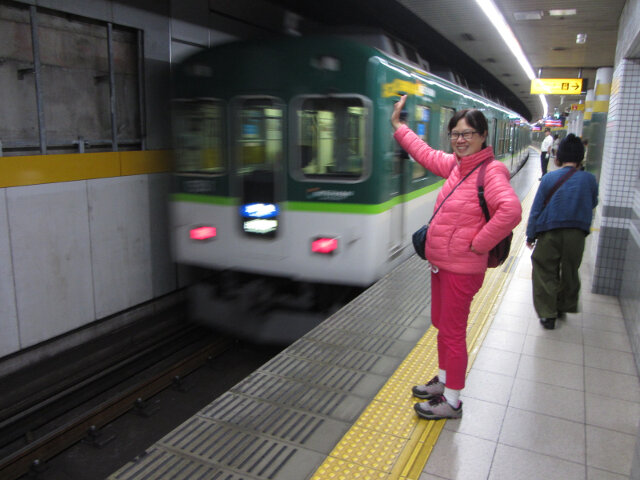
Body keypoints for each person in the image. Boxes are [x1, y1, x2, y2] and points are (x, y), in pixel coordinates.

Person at [391, 95, 522, 420]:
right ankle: (444, 381)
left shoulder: (490, 172)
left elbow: (511, 210)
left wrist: (478, 243)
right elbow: (424, 153)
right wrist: (400, 127)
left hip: (462, 270)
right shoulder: (456, 166)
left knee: (452, 332)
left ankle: (452, 401)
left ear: (482, 136)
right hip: (442, 265)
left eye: (467, 134)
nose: (460, 140)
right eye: (455, 134)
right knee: (442, 325)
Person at [526, 134, 598, 330]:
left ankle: (548, 315)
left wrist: (530, 235)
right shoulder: (590, 180)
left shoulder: (549, 178)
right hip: (576, 233)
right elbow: (593, 203)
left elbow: (536, 209)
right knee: (570, 270)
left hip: (549, 232)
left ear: (558, 156)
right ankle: (563, 306)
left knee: (544, 270)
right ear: (581, 157)